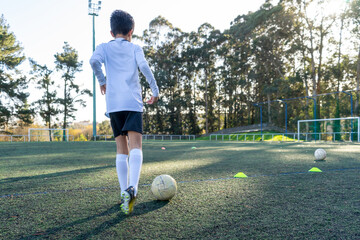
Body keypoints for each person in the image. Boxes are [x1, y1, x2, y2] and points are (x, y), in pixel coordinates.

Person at [90, 10, 159, 215]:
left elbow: (93, 61)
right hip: (132, 102)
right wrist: (155, 91)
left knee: (122, 149)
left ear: (112, 32)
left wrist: (102, 81)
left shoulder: (103, 47)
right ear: (131, 31)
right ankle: (133, 189)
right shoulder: (135, 48)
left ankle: (123, 193)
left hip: (113, 104)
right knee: (136, 146)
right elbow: (144, 66)